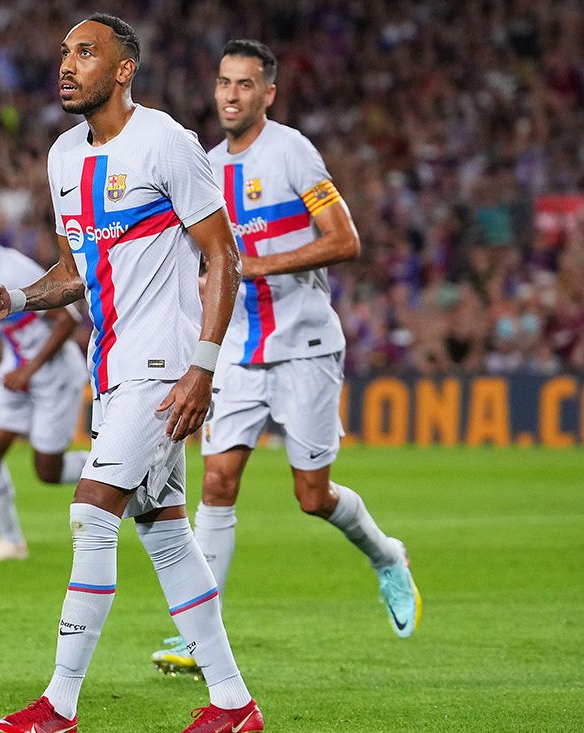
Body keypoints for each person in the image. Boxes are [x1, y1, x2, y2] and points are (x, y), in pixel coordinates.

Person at [0, 15, 265, 733]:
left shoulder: (166, 142)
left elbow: (222, 255)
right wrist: (15, 298)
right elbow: (75, 270)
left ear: (124, 68)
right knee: (164, 529)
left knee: (89, 509)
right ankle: (233, 703)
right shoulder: (64, 156)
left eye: (84, 52)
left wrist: (202, 368)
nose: (66, 66)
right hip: (112, 370)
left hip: (164, 366)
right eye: (63, 53)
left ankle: (59, 704)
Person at [152, 39, 421, 677]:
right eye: (223, 82)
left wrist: (262, 263)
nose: (230, 95)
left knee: (311, 495)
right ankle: (198, 639)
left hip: (304, 347)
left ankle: (387, 556)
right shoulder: (204, 167)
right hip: (239, 353)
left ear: (267, 94)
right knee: (216, 482)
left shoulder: (293, 151)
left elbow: (345, 240)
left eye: (245, 85)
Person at [0, 209, 90, 564]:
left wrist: (30, 371)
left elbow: (66, 323)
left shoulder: (16, 272)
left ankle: (121, 467)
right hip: (16, 367)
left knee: (48, 471)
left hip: (54, 371)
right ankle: (11, 542)